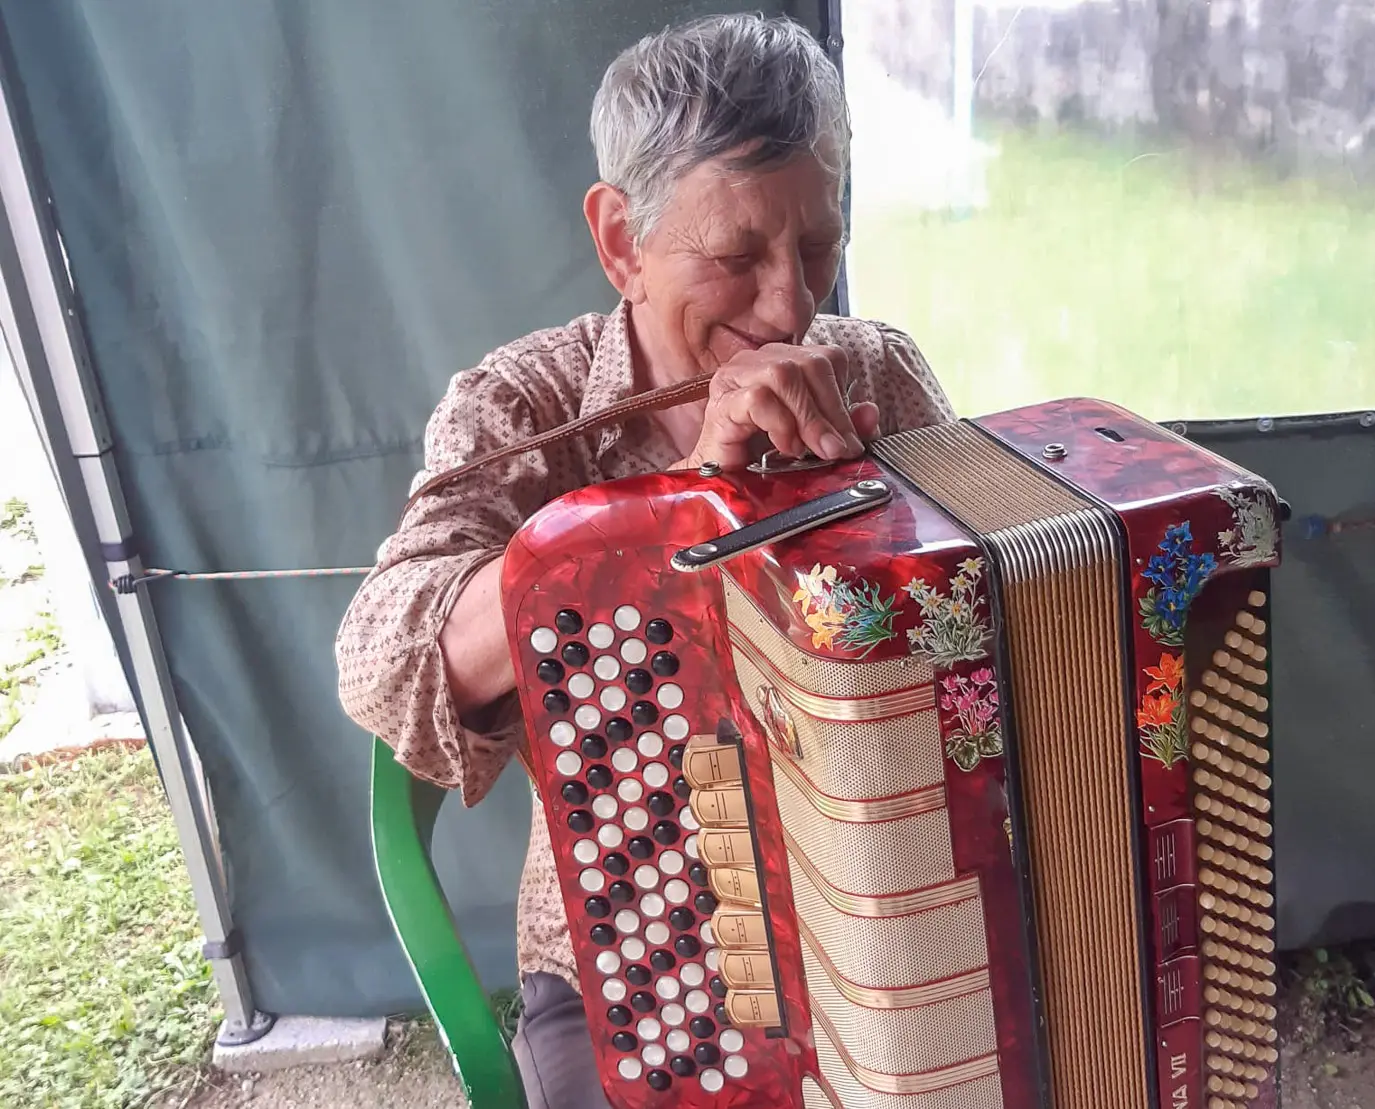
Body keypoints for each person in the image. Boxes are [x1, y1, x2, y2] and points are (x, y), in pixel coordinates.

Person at [335, 12, 956, 1108]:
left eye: (818, 244)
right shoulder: (521, 403)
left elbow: (985, 617)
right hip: (637, 957)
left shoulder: (879, 376)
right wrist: (672, 515)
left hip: (892, 911)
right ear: (623, 239)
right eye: (735, 257)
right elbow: (382, 655)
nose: (791, 302)